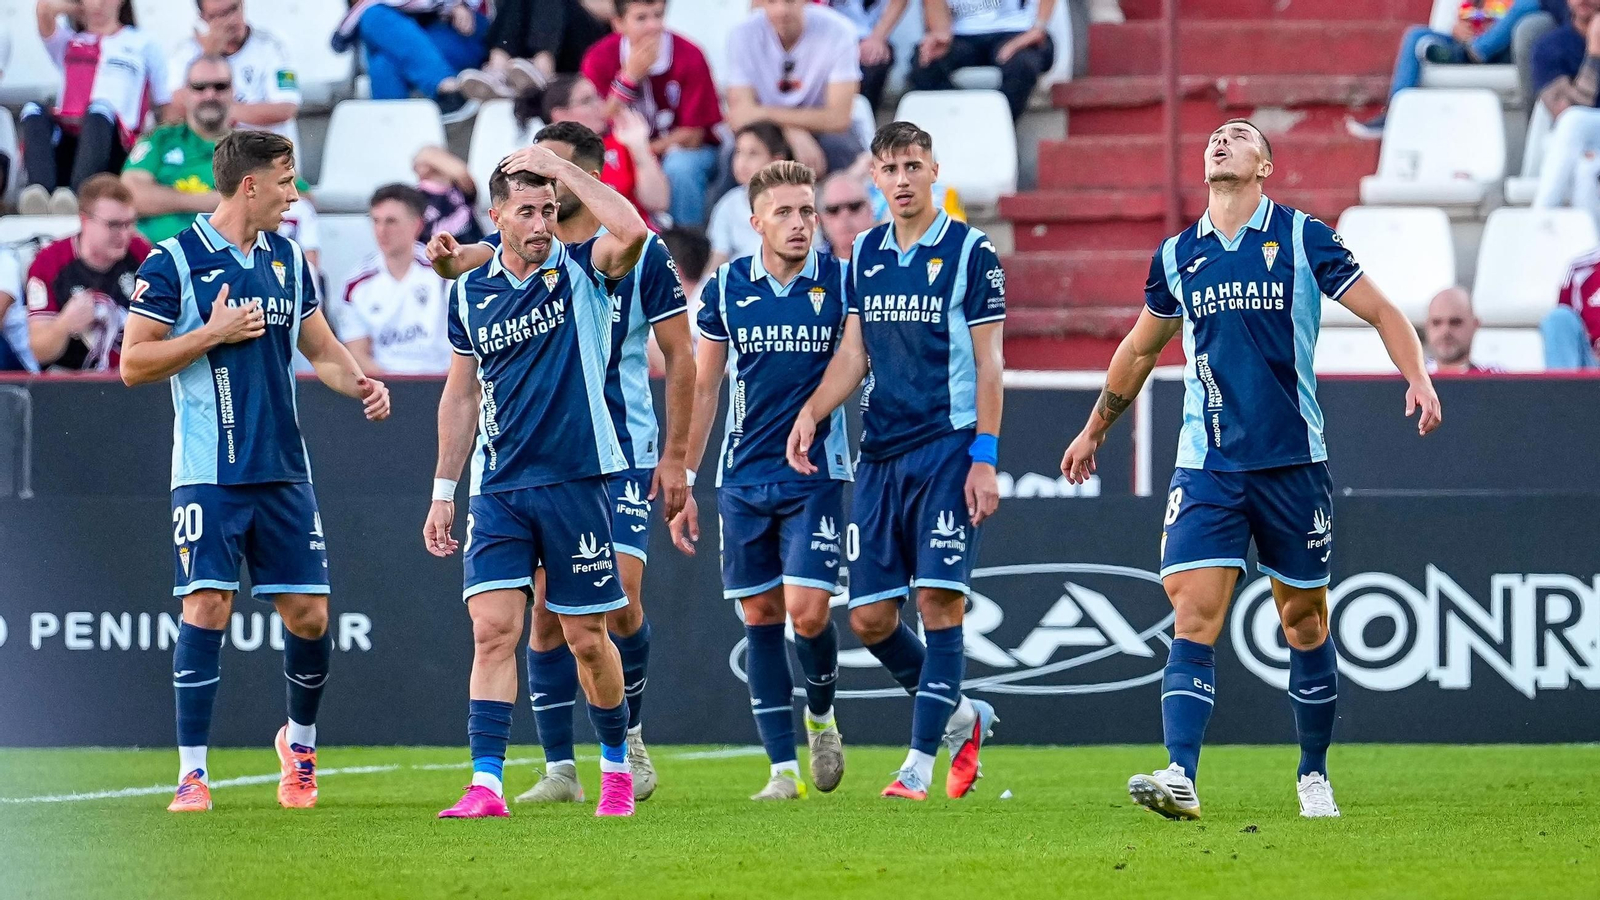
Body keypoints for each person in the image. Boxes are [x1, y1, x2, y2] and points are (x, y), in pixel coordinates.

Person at [1058, 119, 1443, 821]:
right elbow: (1140, 351)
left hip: (1293, 463)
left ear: (1266, 164)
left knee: (1302, 622)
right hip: (1208, 465)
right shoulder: (1177, 256)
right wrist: (1094, 430)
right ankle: (1181, 774)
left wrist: (1416, 376)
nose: (1221, 141)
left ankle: (1313, 773)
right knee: (1193, 613)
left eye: (1239, 136)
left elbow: (1384, 311)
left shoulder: (1301, 238)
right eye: (1214, 136)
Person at [120, 130, 392, 813]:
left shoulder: (287, 258)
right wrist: (209, 334)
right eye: (285, 181)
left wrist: (359, 381)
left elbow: (321, 347)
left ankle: (299, 747)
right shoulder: (173, 262)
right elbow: (131, 363)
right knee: (207, 605)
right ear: (250, 185)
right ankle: (191, 775)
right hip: (208, 470)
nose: (293, 195)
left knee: (309, 615)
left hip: (282, 470)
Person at [426, 121, 694, 805]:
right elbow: (460, 395)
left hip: (579, 479)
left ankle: (614, 765)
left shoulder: (582, 270)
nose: (543, 221)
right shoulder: (468, 291)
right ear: (496, 217)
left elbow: (631, 232)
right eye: (528, 209)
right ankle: (487, 782)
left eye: (550, 209)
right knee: (494, 631)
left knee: (585, 634)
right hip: (500, 487)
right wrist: (442, 489)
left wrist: (558, 170)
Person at [785, 121, 1004, 802]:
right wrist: (813, 411)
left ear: (934, 169)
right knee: (871, 620)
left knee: (938, 602)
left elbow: (992, 361)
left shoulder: (972, 252)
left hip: (946, 448)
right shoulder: (865, 254)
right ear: (875, 178)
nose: (903, 179)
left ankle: (916, 763)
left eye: (913, 165)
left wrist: (984, 457)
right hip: (881, 455)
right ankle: (963, 719)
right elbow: (855, 354)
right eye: (890, 168)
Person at [669, 160, 850, 801]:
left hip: (815, 473)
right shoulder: (723, 289)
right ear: (755, 224)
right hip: (743, 476)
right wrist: (685, 475)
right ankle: (781, 771)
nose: (800, 224)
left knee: (807, 612)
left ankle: (822, 714)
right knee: (761, 614)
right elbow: (706, 384)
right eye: (785, 213)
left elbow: (855, 364)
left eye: (809, 211)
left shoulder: (843, 282)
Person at [123, 56, 318, 248]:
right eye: (200, 87)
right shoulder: (160, 140)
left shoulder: (258, 148)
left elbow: (301, 200)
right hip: (158, 263)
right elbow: (130, 194)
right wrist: (220, 201)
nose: (210, 95)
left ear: (233, 91)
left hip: (236, 266)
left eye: (220, 87)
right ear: (186, 94)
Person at [19, 0, 170, 215]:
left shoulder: (143, 43)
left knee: (99, 110)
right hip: (72, 138)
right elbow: (44, 8)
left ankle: (78, 196)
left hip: (116, 141)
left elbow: (164, 104)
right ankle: (40, 194)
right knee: (33, 110)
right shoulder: (69, 41)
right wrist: (78, 9)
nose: (98, 4)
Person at [580, 0, 724, 226]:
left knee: (680, 167)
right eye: (641, 18)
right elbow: (596, 122)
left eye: (658, 16)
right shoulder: (599, 57)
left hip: (682, 152)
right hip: (619, 150)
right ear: (618, 23)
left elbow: (694, 135)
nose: (653, 26)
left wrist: (643, 153)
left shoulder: (689, 54)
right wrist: (628, 80)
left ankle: (686, 244)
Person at [1348, 1, 1542, 139]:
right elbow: (1442, 25)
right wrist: (1454, 29)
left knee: (1529, 4)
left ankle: (1471, 53)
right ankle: (1394, 115)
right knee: (1416, 35)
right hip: (1462, 46)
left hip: (1503, 52)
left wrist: (1482, 43)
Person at [26, 173, 151, 372]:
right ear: (85, 220)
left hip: (131, 375)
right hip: (72, 380)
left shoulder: (140, 253)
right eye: (114, 225)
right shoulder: (50, 263)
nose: (125, 234)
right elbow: (39, 351)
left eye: (130, 223)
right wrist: (64, 324)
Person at [724, 0, 864, 177]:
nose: (782, 10)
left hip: (823, 130)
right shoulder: (742, 34)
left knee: (839, 148)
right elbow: (740, 116)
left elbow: (839, 118)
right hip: (766, 128)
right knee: (734, 154)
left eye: (790, 1)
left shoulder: (839, 31)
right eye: (772, 1)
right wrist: (791, 130)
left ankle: (838, 202)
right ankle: (730, 205)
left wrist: (766, 115)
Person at [516, 74, 671, 222]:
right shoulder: (547, 159)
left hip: (640, 239)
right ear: (560, 115)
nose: (601, 105)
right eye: (587, 101)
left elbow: (658, 202)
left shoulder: (622, 141)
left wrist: (640, 148)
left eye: (598, 96)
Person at [338, 184, 452, 375]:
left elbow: (468, 342)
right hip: (384, 388)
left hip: (442, 381)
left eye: (391, 221)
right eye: (376, 221)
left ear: (417, 225)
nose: (381, 230)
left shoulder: (444, 273)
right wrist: (392, 391)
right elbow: (356, 353)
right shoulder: (356, 284)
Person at [165, 0, 302, 148]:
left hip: (266, 152)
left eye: (233, 9)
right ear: (203, 18)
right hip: (211, 155)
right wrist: (210, 55)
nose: (230, 20)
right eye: (219, 15)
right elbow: (178, 107)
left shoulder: (272, 46)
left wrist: (216, 108)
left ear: (243, 4)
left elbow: (285, 109)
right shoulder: (186, 52)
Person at [330, 0, 487, 123]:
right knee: (380, 45)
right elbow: (341, 37)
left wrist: (453, 4)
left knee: (385, 46)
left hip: (459, 33)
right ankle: (446, 86)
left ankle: (389, 138)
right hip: (410, 38)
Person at [912, 0, 1057, 121]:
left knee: (1022, 65)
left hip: (1018, 29)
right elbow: (938, 21)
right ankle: (958, 122)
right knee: (925, 63)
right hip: (962, 34)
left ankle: (997, 127)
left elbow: (1039, 29)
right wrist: (939, 34)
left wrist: (1036, 30)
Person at [1530, 0, 1600, 216]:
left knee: (1575, 123)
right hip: (1578, 144)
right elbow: (1564, 112)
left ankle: (1539, 218)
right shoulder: (1549, 47)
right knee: (1585, 171)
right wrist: (1594, 55)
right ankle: (1590, 247)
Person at [457, 0, 612, 95]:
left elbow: (615, 11)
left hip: (593, 44)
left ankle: (543, 69)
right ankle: (498, 70)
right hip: (546, 37)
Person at [707, 122, 794, 273]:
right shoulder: (728, 204)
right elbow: (718, 258)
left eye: (753, 154)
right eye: (739, 152)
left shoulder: (797, 203)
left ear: (777, 161)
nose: (742, 162)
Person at [826, 0, 910, 111]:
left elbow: (899, 3)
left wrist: (877, 38)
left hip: (872, 37)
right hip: (832, 39)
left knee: (875, 59)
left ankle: (867, 120)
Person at [413, 146, 486, 245]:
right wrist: (428, 156)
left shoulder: (457, 188)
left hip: (479, 252)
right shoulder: (417, 197)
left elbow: (462, 174)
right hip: (442, 258)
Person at [1542, 243, 1600, 368]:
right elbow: (1563, 330)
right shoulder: (1582, 269)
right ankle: (1561, 386)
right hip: (1593, 369)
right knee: (1559, 318)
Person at [1424, 286, 1503, 373]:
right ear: (1427, 326)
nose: (1445, 331)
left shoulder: (1498, 381)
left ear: (1475, 325)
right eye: (1436, 323)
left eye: (1455, 322)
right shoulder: (1409, 382)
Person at [817, 168, 877, 261]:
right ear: (822, 219)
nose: (844, 216)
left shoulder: (898, 259)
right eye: (833, 210)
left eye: (854, 206)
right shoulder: (810, 268)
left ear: (870, 211)